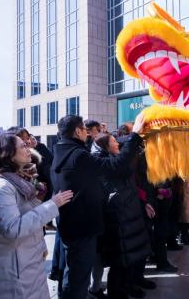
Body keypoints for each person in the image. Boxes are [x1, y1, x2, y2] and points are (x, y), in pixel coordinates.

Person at [51, 114, 145, 299]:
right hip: (82, 229)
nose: (88, 133)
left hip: (72, 225)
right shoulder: (78, 156)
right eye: (85, 129)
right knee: (78, 279)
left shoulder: (61, 152)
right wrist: (135, 135)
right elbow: (115, 165)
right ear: (78, 131)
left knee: (74, 275)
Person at [0, 134, 73, 299]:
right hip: (12, 269)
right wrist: (52, 205)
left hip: (25, 264)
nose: (28, 149)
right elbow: (13, 229)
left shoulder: (18, 181)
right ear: (7, 153)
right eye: (22, 146)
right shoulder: (0, 187)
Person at [92, 133, 152, 299]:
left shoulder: (112, 158)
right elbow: (121, 166)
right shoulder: (102, 161)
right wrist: (134, 138)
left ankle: (125, 290)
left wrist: (142, 204)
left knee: (127, 263)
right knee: (119, 265)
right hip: (117, 221)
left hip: (127, 217)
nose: (117, 143)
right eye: (113, 141)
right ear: (105, 146)